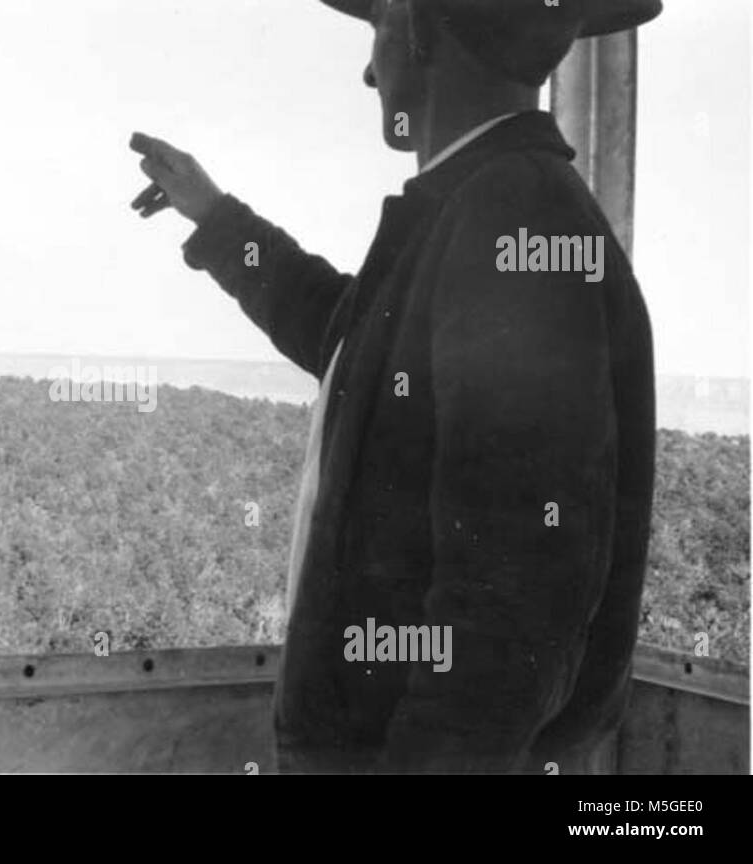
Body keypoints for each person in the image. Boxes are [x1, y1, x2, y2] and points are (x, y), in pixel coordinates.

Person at [129, 0, 663, 773]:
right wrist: (216, 221)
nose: (370, 70)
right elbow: (349, 347)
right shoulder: (484, 206)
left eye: (379, 27)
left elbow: (515, 592)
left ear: (418, 29)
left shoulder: (513, 219)